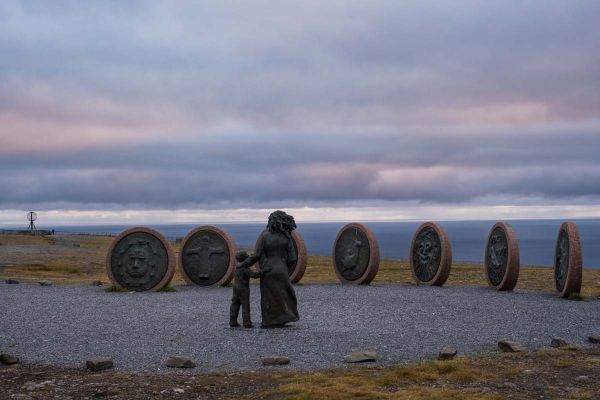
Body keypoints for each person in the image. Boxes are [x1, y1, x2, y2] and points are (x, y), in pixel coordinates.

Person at [240, 210, 299, 328]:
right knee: (284, 295)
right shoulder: (287, 237)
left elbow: (256, 255)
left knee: (269, 296)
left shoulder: (265, 236)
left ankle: (269, 321)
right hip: (282, 269)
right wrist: (284, 267)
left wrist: (244, 264)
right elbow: (293, 258)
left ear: (272, 221)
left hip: (268, 270)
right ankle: (283, 318)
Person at [230, 250, 261, 328]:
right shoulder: (244, 268)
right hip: (243, 289)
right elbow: (254, 275)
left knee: (235, 305)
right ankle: (247, 323)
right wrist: (263, 272)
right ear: (244, 258)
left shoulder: (237, 266)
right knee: (245, 306)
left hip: (236, 288)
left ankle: (232, 322)